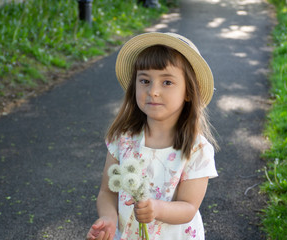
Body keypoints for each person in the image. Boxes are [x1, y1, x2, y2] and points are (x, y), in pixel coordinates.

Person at [86, 32, 218, 240]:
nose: (153, 91)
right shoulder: (124, 140)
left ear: (188, 92)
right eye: (145, 80)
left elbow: (189, 206)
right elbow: (107, 192)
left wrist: (157, 209)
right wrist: (109, 218)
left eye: (167, 82)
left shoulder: (196, 149)